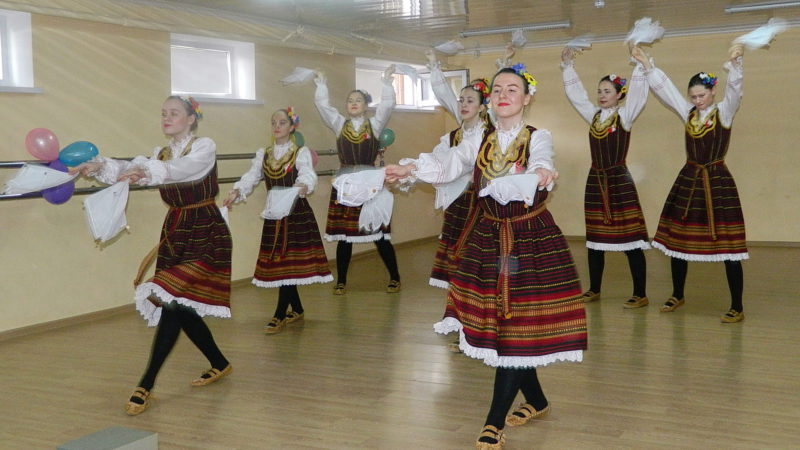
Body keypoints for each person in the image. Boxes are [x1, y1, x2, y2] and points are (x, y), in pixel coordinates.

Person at [386, 64, 587, 450]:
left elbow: (542, 161)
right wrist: (410, 167)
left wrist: (541, 174)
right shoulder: (479, 137)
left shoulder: (537, 136)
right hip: (488, 238)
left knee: (515, 323)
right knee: (505, 323)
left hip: (527, 240)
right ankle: (537, 399)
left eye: (512, 89)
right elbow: (447, 165)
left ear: (526, 98)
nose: (503, 95)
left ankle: (494, 421)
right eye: (497, 90)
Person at [71, 96, 232, 415]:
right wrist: (100, 166)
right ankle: (218, 361)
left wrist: (143, 171)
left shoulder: (204, 147)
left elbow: (181, 170)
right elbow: (133, 166)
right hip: (176, 230)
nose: (166, 118)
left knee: (173, 302)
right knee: (180, 305)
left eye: (174, 113)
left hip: (206, 228)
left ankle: (145, 383)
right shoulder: (159, 153)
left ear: (191, 119)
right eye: (163, 113)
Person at [632, 43, 748, 322]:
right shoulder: (688, 113)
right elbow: (667, 90)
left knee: (729, 247)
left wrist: (736, 65)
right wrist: (647, 65)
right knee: (677, 242)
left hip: (717, 182)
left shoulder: (725, 112)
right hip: (689, 179)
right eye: (693, 96)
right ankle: (677, 294)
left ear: (712, 92)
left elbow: (735, 91)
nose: (697, 100)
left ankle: (737, 306)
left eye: (702, 95)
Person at [223, 108, 332, 334]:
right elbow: (251, 176)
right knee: (283, 264)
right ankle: (297, 308)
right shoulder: (264, 154)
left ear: (292, 127)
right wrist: (236, 192)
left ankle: (280, 313)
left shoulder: (299, 152)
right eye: (274, 122)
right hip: (275, 214)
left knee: (287, 265)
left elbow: (307, 173)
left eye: (282, 122)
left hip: (295, 213)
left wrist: (303, 185)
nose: (277, 126)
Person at [561, 46, 651, 308]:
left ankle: (640, 293)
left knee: (631, 241)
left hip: (620, 182)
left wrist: (640, 66)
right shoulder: (594, 116)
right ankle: (594, 289)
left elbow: (638, 95)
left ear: (619, 94)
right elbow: (577, 97)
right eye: (600, 91)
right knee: (595, 240)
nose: (601, 95)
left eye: (607, 91)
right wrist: (568, 67)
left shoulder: (625, 116)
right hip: (596, 181)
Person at [313, 65, 401, 295]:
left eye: (358, 100)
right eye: (350, 100)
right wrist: (321, 84)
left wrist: (386, 83)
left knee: (379, 235)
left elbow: (387, 105)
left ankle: (395, 277)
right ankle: (341, 280)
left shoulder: (374, 125)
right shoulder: (339, 124)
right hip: (347, 186)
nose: (353, 103)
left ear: (366, 105)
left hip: (370, 184)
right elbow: (323, 106)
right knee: (345, 237)